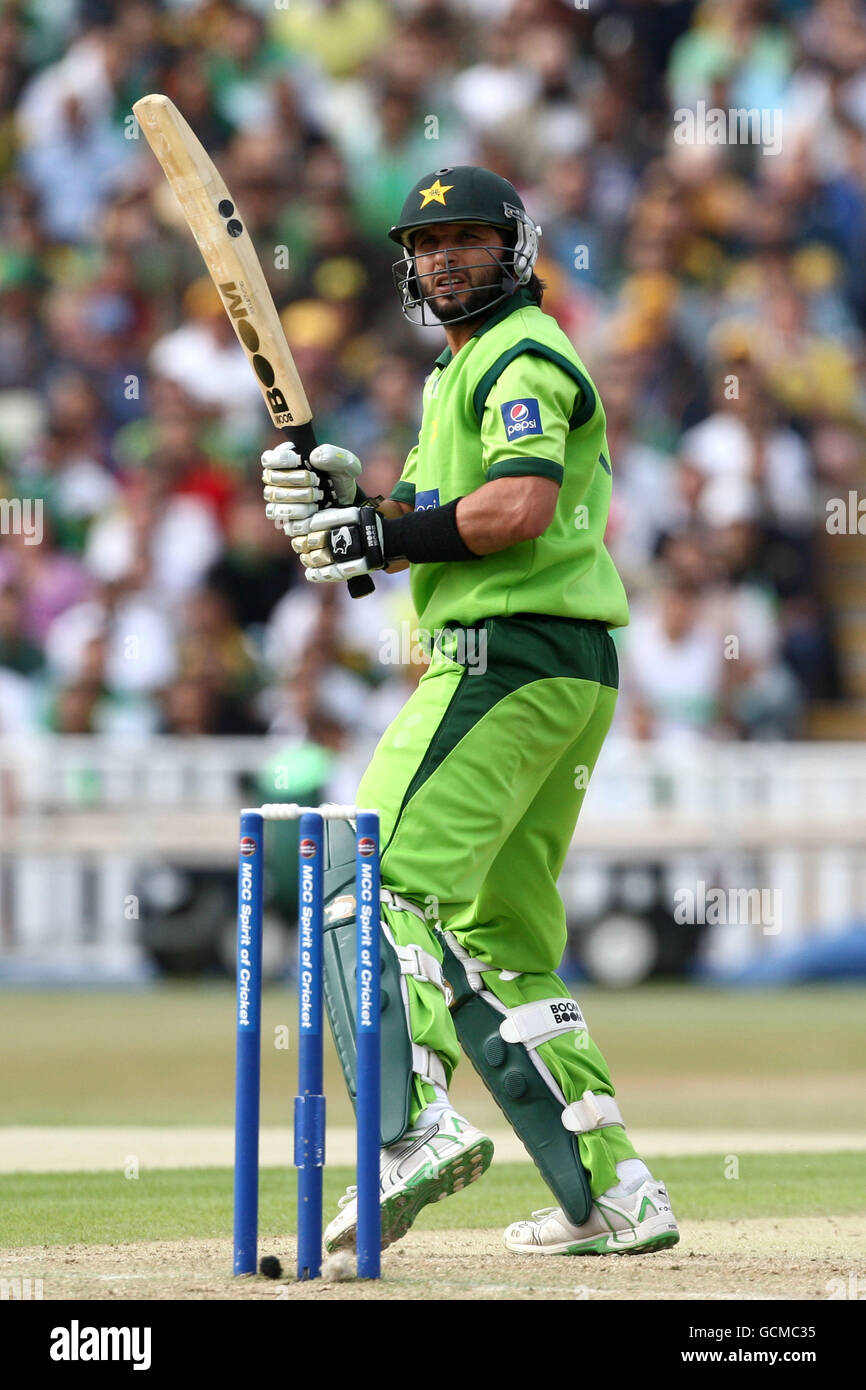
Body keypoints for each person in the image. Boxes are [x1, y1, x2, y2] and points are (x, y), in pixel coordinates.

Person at [261, 167, 679, 1258]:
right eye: (427, 241)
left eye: (468, 239)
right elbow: (428, 514)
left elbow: (513, 507)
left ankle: (407, 1128)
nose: (445, 257)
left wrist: (380, 536)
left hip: (504, 656)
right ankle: (611, 1194)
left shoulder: (519, 353)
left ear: (514, 247)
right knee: (497, 943)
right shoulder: (455, 377)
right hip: (561, 667)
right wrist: (353, 505)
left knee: (369, 870)